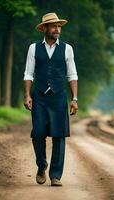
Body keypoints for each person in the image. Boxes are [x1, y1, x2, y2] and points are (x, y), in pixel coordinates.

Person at [23, 12, 78, 187]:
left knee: (59, 136)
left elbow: (72, 75)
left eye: (59, 26)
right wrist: (27, 95)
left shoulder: (67, 49)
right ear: (45, 28)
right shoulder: (33, 48)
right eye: (54, 26)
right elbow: (28, 73)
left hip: (59, 97)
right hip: (39, 97)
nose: (57, 29)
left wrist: (74, 98)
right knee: (38, 133)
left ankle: (55, 175)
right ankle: (41, 165)